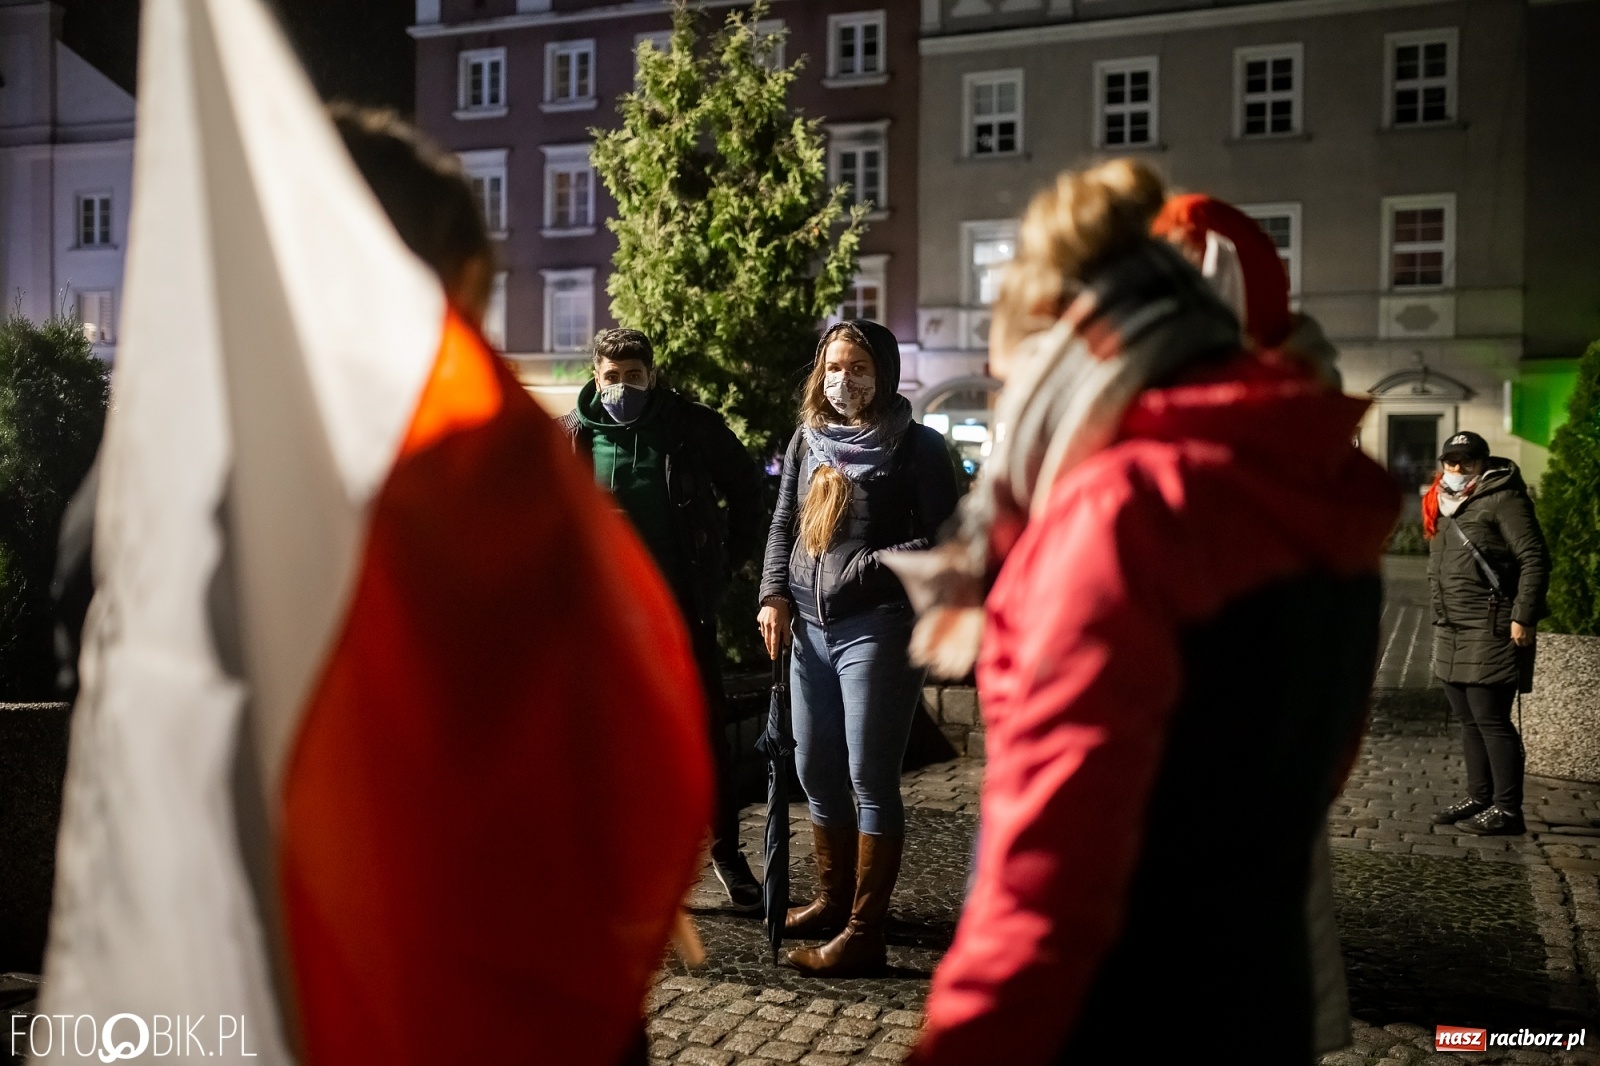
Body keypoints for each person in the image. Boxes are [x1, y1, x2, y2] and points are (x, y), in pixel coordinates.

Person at [886, 160, 1400, 1064]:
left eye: (1017, 374)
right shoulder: (1313, 484)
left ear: (1068, 340)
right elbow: (1319, 771)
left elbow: (1048, 875)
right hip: (1255, 1004)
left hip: (1112, 1019)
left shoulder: (1124, 513)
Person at [757, 319, 959, 977]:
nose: (845, 381)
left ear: (885, 375)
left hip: (878, 625)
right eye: (835, 367)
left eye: (860, 369)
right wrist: (773, 593)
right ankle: (832, 899)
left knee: (870, 777)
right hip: (809, 630)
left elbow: (948, 542)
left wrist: (871, 562)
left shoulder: (918, 449)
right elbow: (784, 521)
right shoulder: (808, 439)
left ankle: (865, 931)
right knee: (815, 768)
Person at [559, 328, 769, 908]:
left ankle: (726, 853)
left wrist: (726, 564)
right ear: (595, 376)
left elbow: (748, 488)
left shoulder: (689, 426)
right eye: (611, 377)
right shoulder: (573, 437)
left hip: (682, 611)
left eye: (633, 376)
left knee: (704, 729)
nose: (622, 388)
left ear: (651, 375)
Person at [1424, 429, 1549, 836]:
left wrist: (1523, 615)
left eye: (1467, 462)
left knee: (1490, 718)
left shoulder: (1503, 498)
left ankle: (1508, 810)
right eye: (1451, 461)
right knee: (1467, 718)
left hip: (1490, 623)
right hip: (1450, 624)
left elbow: (1534, 558)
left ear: (1483, 462)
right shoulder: (1443, 504)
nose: (1457, 469)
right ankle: (1480, 796)